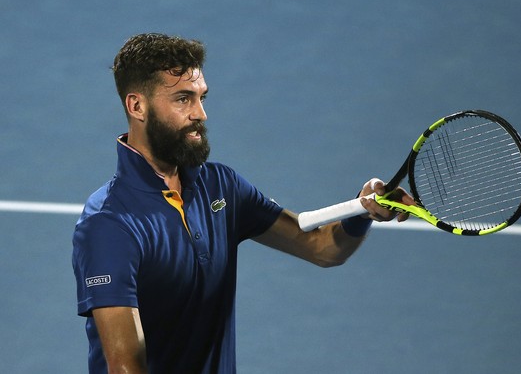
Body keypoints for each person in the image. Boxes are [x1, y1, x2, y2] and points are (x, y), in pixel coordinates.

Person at [72, 33, 414, 374]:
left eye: (201, 97)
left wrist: (361, 210)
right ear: (137, 106)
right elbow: (124, 368)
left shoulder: (221, 186)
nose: (200, 114)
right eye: (182, 99)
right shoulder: (110, 224)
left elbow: (321, 247)